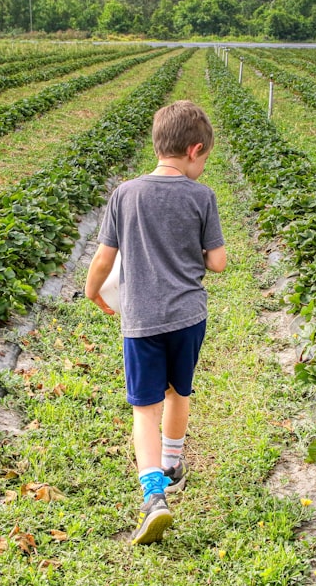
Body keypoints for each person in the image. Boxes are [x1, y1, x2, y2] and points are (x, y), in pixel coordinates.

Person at [84, 100, 227, 545]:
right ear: (195, 149)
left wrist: (92, 293)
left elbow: (104, 258)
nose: (202, 168)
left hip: (141, 319)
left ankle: (153, 495)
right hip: (188, 317)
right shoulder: (202, 196)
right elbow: (218, 263)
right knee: (178, 392)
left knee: (144, 409)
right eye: (203, 160)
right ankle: (173, 465)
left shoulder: (125, 193)